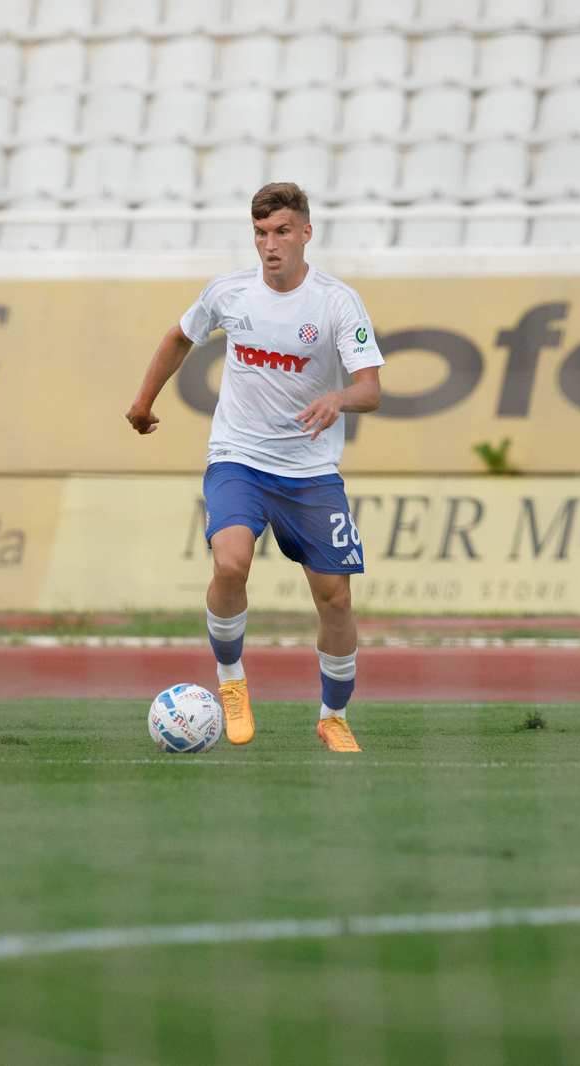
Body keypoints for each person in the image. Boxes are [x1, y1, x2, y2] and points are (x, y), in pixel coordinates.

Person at [126, 183, 383, 751]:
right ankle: (231, 680)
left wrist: (337, 399)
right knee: (230, 565)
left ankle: (333, 717)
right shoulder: (229, 292)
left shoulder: (337, 302)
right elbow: (178, 337)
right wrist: (144, 402)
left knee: (336, 599)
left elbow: (371, 389)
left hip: (311, 471)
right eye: (262, 234)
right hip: (238, 458)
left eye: (283, 232)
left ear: (306, 233)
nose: (271, 245)